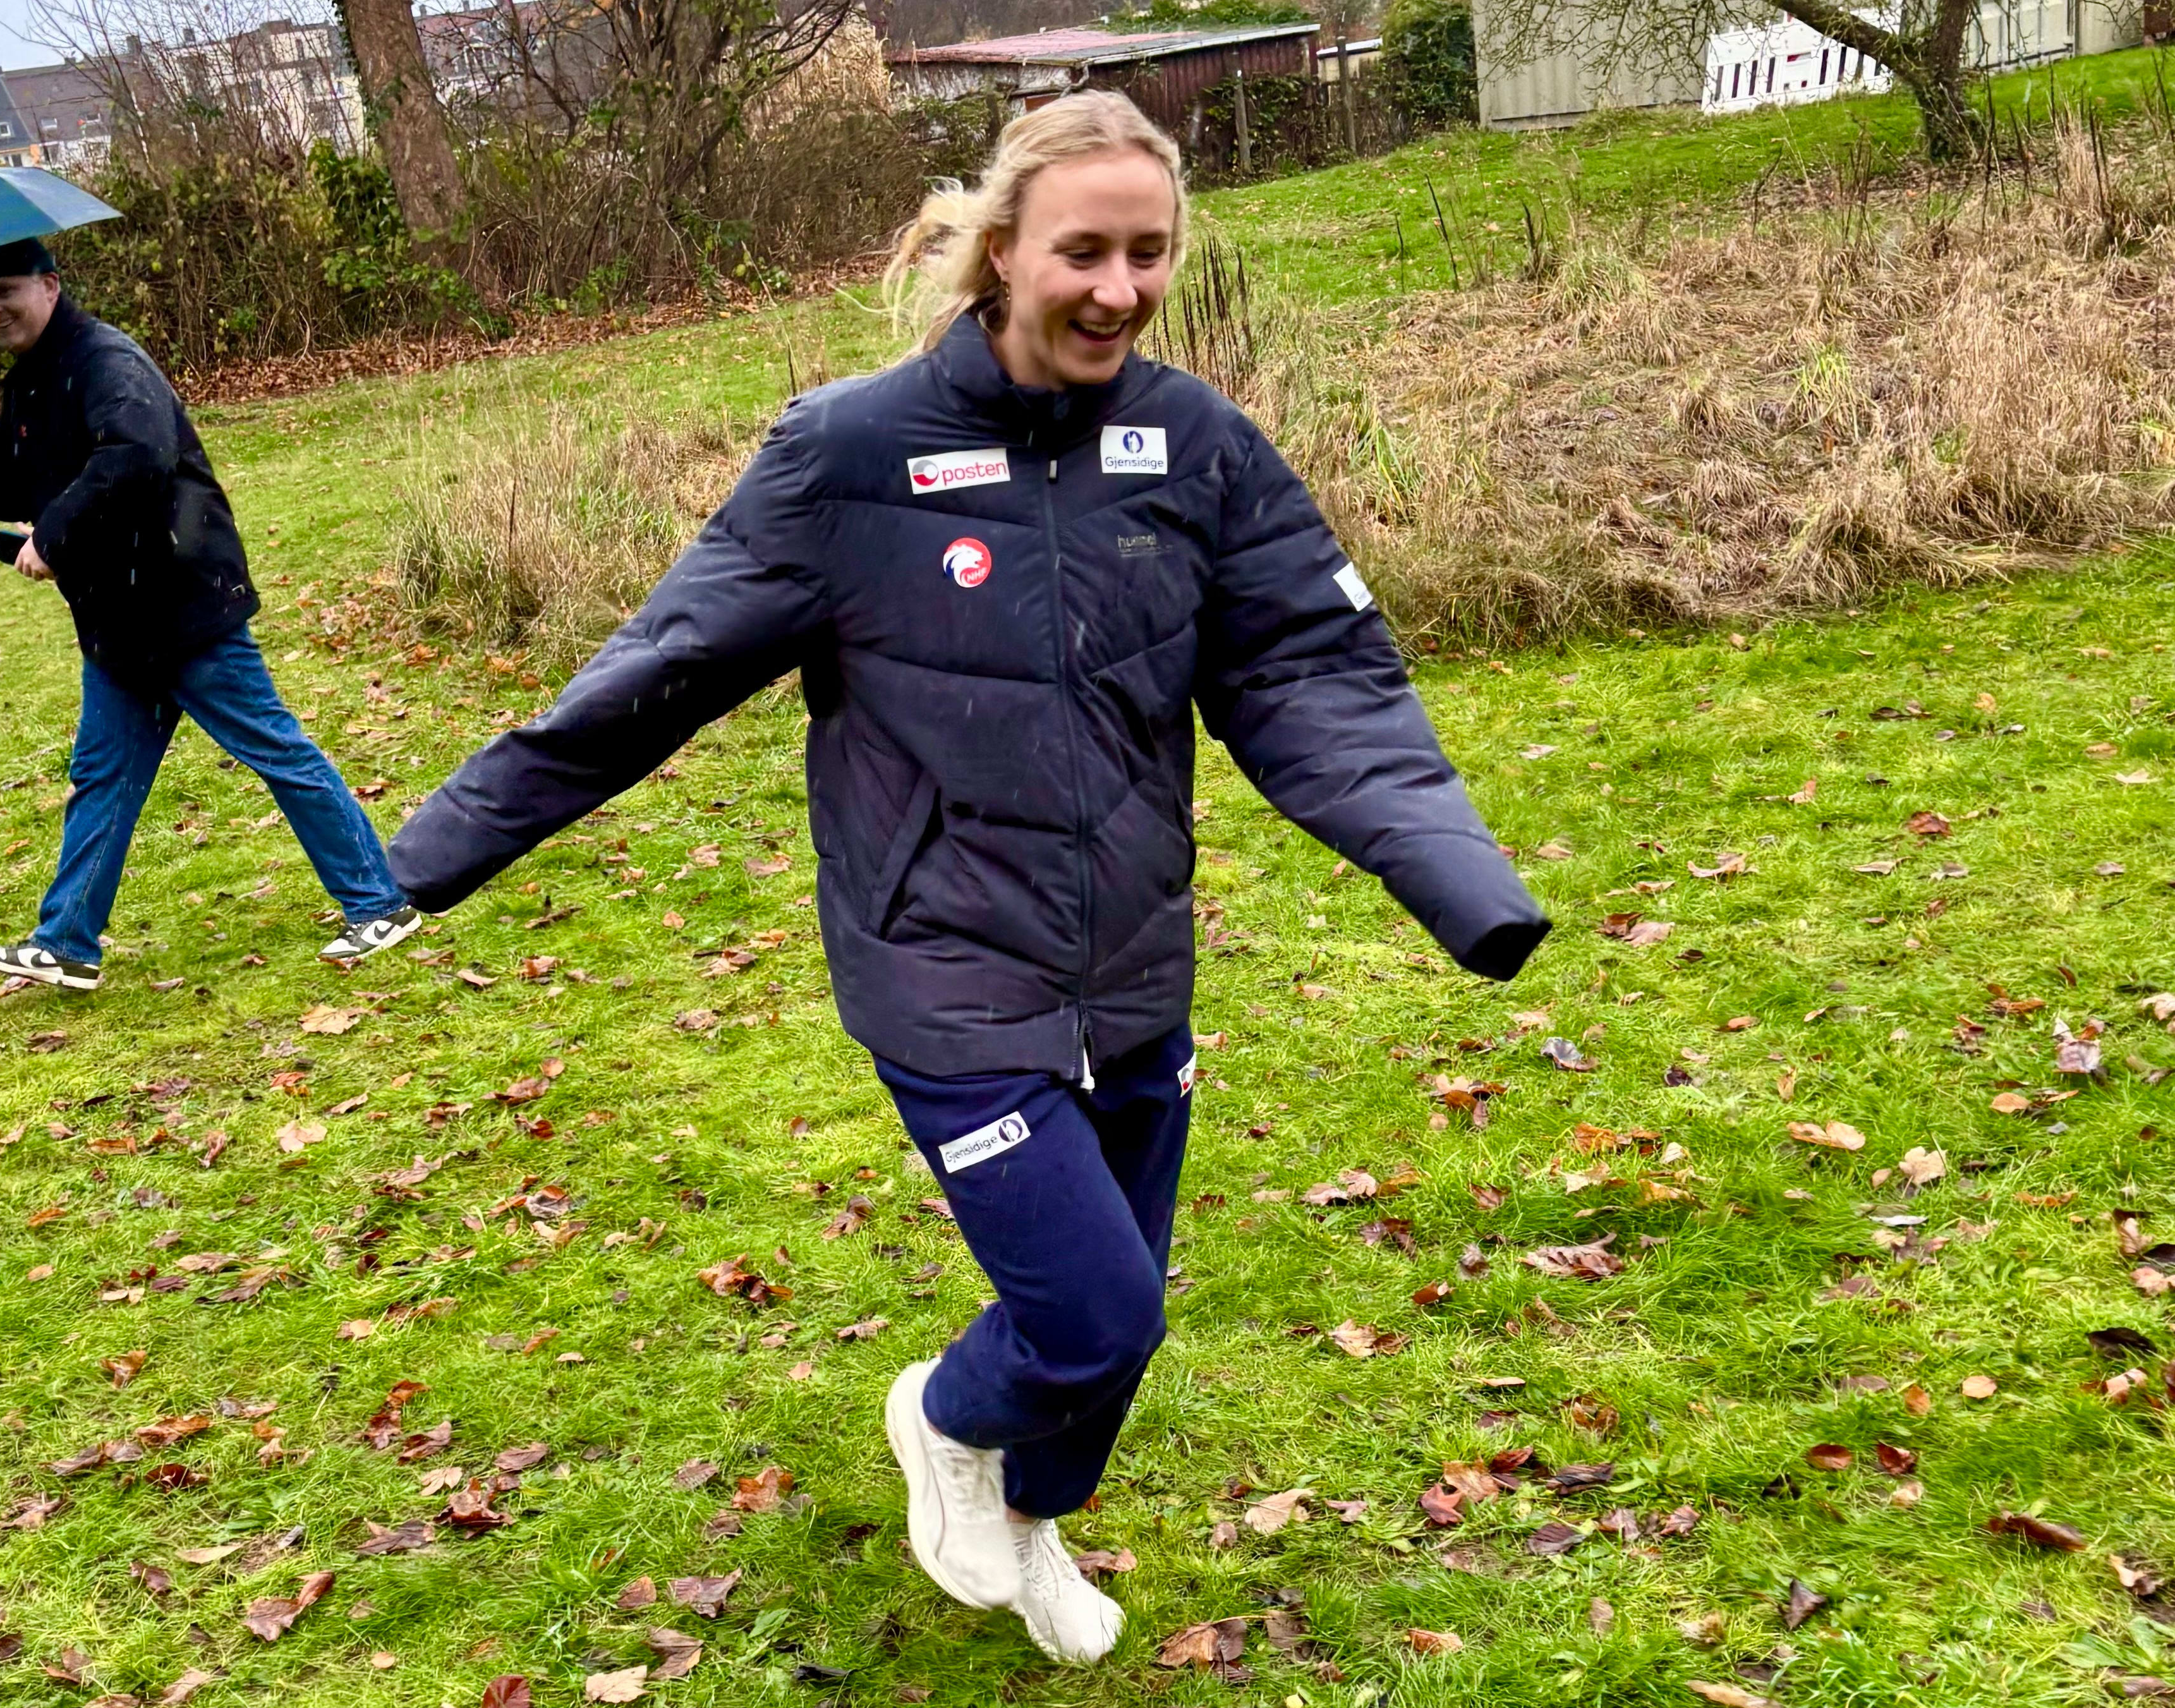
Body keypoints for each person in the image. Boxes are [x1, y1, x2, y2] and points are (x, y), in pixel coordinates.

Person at [382, 92, 1549, 1663]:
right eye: (1084, 251)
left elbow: (1314, 672)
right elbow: (660, 670)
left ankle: (1027, 1516)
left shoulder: (1192, 446)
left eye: (1148, 253)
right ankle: (941, 1417)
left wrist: (1458, 877)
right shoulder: (848, 455)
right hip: (939, 958)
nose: (1119, 289)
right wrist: (425, 854)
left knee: (1115, 1320)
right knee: (1093, 1310)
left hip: (1129, 956)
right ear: (1001, 250)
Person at [0, 237, 420, 991]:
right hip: (118, 619)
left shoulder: (105, 362)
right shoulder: (33, 378)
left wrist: (53, 537)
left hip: (180, 603)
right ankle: (66, 942)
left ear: (50, 285)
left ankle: (380, 905)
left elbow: (136, 456)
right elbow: (27, 485)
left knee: (275, 751)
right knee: (102, 778)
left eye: (5, 290)